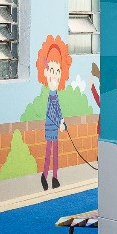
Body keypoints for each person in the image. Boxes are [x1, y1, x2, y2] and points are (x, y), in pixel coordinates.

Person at [36, 35, 71, 191]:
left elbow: (58, 110)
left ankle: (54, 177)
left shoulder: (55, 95)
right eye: (52, 70)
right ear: (45, 72)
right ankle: (45, 175)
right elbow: (51, 112)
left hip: (56, 126)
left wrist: (62, 120)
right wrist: (59, 123)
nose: (55, 74)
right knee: (49, 152)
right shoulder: (51, 95)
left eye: (57, 71)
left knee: (55, 152)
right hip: (51, 126)